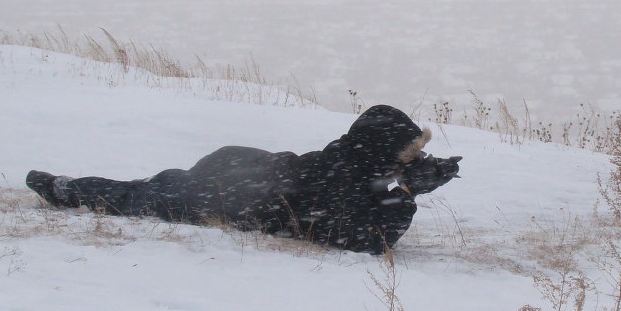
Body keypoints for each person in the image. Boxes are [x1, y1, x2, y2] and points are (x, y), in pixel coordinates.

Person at [26, 104, 461, 254]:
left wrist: (413, 177)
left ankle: (67, 186)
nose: (415, 159)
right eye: (409, 153)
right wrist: (407, 194)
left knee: (152, 186)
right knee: (142, 194)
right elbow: (364, 241)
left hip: (248, 167)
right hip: (232, 193)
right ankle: (63, 189)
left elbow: (369, 187)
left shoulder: (355, 159)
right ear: (384, 152)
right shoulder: (343, 178)